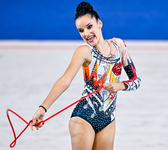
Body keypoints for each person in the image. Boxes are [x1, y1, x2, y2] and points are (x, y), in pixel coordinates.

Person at [30, 1, 141, 150]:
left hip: (108, 120)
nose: (86, 34)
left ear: (99, 23)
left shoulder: (118, 46)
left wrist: (120, 85)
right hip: (84, 117)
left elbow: (136, 80)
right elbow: (64, 80)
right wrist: (43, 108)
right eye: (81, 30)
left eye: (89, 27)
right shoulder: (84, 52)